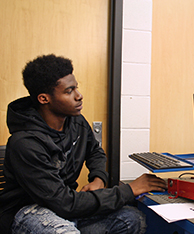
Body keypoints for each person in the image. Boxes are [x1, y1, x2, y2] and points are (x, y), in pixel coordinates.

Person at [0, 54, 167, 234]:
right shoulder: (25, 144)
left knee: (132, 219)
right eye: (68, 91)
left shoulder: (76, 122)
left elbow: (94, 151)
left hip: (65, 206)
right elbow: (64, 203)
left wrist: (98, 178)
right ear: (44, 99)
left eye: (76, 88)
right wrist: (129, 190)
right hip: (28, 211)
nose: (79, 96)